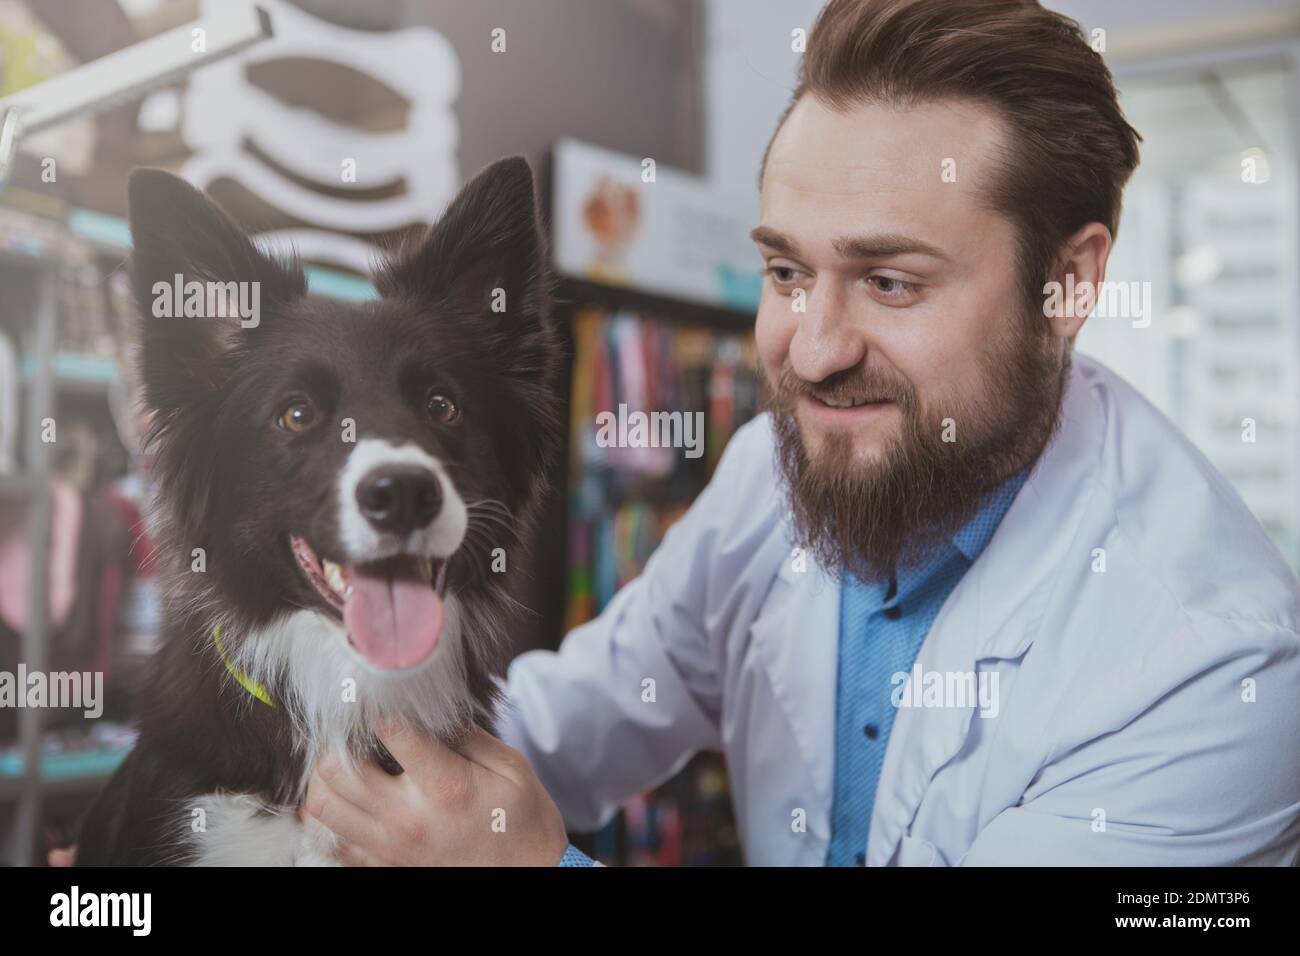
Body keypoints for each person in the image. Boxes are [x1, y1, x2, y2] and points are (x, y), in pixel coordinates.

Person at [74, 0, 1300, 867]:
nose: (810, 349)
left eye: (890, 281)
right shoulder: (787, 479)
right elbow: (574, 717)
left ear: (1067, 283)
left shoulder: (1213, 670)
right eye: (783, 268)